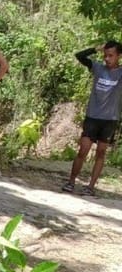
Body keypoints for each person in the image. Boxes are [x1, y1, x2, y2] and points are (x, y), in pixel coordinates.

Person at [62, 41, 122, 197]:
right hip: (92, 117)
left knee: (101, 153)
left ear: (118, 56)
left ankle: (90, 186)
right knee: (83, 150)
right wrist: (96, 48)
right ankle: (71, 181)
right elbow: (79, 56)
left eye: (111, 56)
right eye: (105, 55)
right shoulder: (97, 68)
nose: (107, 59)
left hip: (110, 120)